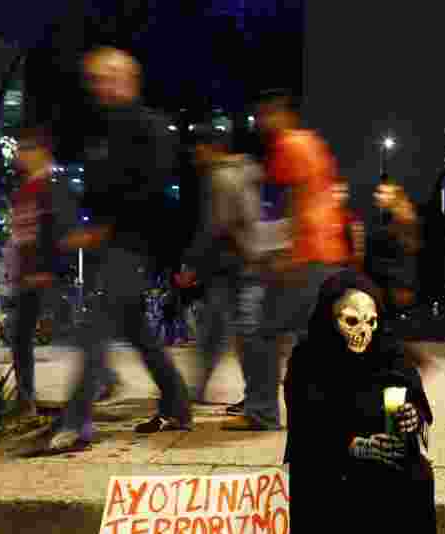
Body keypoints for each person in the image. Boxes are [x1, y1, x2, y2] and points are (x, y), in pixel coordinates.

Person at [49, 46, 192, 451]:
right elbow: (98, 189)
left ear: (127, 78)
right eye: (93, 79)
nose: (98, 86)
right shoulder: (100, 129)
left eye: (105, 78)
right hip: (110, 242)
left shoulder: (149, 127)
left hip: (135, 244)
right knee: (135, 329)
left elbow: (152, 192)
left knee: (96, 323)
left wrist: (104, 228)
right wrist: (88, 225)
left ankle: (76, 420)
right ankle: (178, 403)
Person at [284, 269, 438, 534]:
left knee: (417, 473)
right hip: (330, 457)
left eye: (371, 321)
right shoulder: (307, 361)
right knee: (337, 481)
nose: (363, 332)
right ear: (330, 318)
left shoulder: (391, 355)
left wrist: (413, 418)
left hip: (385, 449)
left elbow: (418, 406)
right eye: (351, 321)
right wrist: (352, 445)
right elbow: (305, 427)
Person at [223, 89, 352, 431]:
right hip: (328, 253)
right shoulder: (311, 143)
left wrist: (283, 253)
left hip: (306, 256)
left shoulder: (287, 145)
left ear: (284, 113)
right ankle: (339, 408)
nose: (264, 121)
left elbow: (290, 201)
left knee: (264, 332)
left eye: (269, 113)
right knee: (315, 335)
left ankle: (263, 412)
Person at [179, 121, 263, 404]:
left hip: (231, 265)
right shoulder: (244, 171)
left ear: (211, 147)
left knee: (233, 335)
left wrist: (192, 265)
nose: (194, 156)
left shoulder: (221, 177)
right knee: (226, 333)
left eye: (197, 149)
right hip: (242, 262)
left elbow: (216, 226)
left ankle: (254, 397)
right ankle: (207, 390)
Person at [8, 125, 60, 417]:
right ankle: (25, 398)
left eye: (24, 149)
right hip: (26, 276)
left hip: (41, 276)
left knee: (72, 333)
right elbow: (21, 235)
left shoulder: (48, 188)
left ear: (40, 152)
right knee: (20, 336)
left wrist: (46, 269)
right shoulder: (24, 190)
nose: (18, 155)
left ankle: (102, 378)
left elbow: (53, 232)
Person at [367, 179, 423, 322]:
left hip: (394, 285)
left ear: (394, 196)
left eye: (383, 193)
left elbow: (405, 255)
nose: (377, 196)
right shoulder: (389, 218)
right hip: (389, 283)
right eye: (378, 192)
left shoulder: (402, 220)